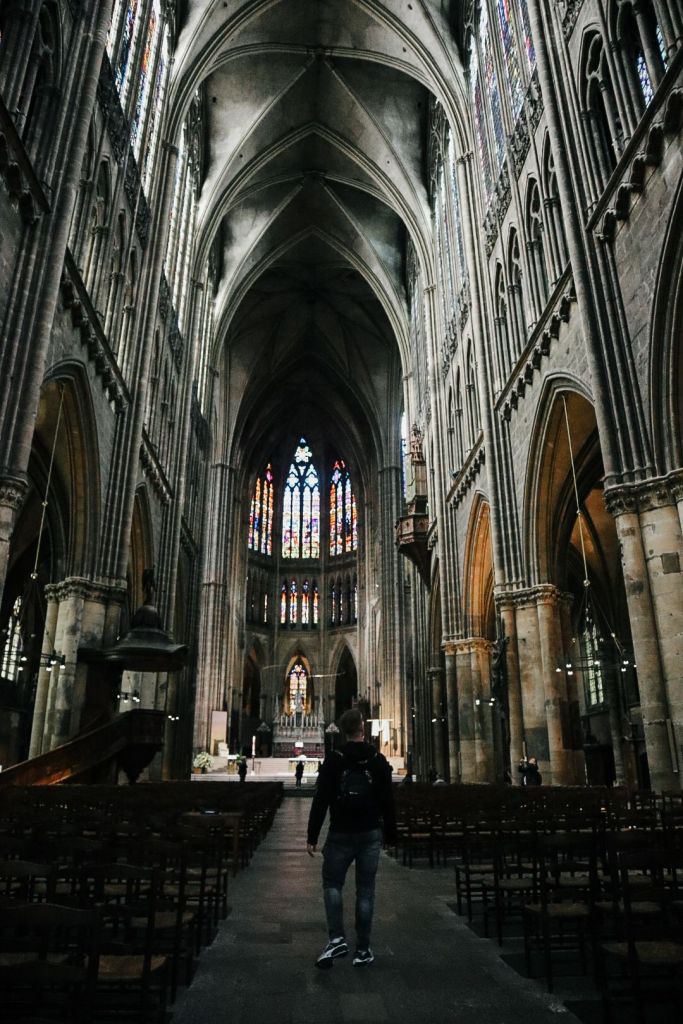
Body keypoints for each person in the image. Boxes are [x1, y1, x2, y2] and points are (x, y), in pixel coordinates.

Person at [306, 707, 397, 970]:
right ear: (362, 729)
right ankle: (363, 950)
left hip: (340, 833)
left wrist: (312, 835)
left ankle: (336, 939)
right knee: (365, 891)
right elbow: (387, 802)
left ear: (342, 732)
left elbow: (321, 799)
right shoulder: (378, 760)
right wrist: (390, 835)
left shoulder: (335, 760)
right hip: (369, 834)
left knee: (332, 885)